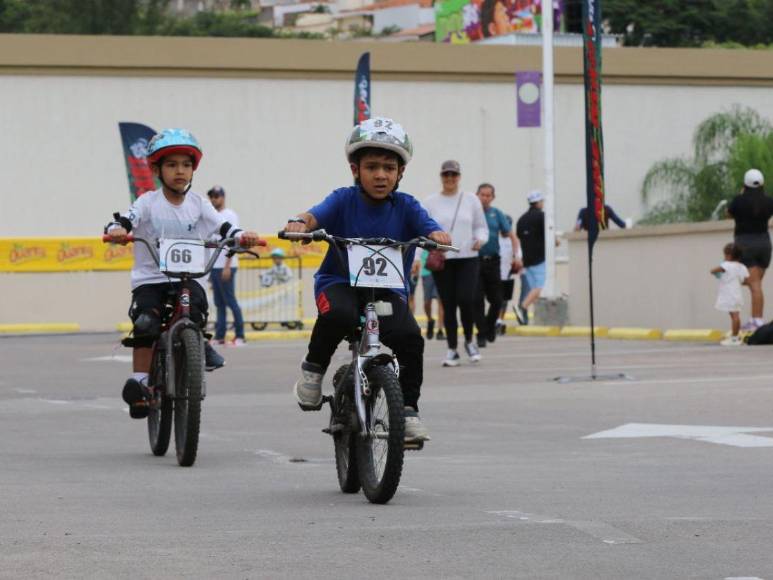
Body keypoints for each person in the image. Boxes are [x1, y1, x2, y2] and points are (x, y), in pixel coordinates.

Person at [283, 117, 450, 442]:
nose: (381, 175)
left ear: (400, 173)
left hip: (386, 290)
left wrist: (437, 235)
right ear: (355, 170)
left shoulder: (407, 206)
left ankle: (408, 410)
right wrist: (299, 223)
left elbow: (429, 227)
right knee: (339, 315)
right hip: (339, 284)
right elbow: (313, 215)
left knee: (410, 338)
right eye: (372, 167)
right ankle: (313, 369)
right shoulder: (343, 199)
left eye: (389, 168)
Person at [104, 128, 261, 419]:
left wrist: (242, 236)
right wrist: (117, 230)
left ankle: (197, 342)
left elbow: (224, 227)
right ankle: (141, 383)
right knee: (146, 322)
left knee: (197, 309)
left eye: (186, 165)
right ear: (156, 170)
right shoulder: (147, 202)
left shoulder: (199, 203)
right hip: (151, 280)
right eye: (172, 165)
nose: (180, 171)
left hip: (188, 278)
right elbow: (126, 220)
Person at [424, 160, 489, 367]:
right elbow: (423, 230)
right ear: (441, 176)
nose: (450, 178)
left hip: (468, 257)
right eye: (446, 175)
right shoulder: (430, 202)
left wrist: (481, 239)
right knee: (448, 304)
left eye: (454, 175)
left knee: (466, 299)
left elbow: (481, 227)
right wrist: (416, 259)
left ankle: (470, 341)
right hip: (443, 261)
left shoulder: (471, 199)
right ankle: (452, 349)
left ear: (459, 177)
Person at [474, 183, 521, 347]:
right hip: (474, 262)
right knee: (477, 299)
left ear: (493, 197)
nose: (485, 198)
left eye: (488, 195)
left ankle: (489, 326)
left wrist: (517, 256)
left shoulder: (497, 214)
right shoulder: (471, 213)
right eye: (482, 195)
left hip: (493, 261)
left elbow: (511, 236)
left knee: (497, 299)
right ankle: (481, 333)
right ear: (477, 195)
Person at [727, 168, 773, 331]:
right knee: (756, 283)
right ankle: (755, 319)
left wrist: (741, 195)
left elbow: (728, 214)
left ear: (745, 184)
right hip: (764, 244)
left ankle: (757, 321)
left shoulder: (739, 200)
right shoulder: (768, 201)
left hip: (745, 243)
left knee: (753, 284)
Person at [207, 185, 247, 347]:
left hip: (225, 266)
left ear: (223, 198)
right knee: (219, 303)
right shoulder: (212, 216)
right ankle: (220, 336)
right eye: (211, 196)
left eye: (217, 196)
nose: (214, 199)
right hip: (214, 266)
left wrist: (227, 266)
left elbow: (233, 242)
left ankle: (240, 336)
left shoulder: (229, 215)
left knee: (231, 301)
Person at [516, 190, 546, 323]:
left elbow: (519, 237)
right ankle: (522, 307)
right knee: (540, 288)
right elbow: (548, 233)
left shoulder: (521, 219)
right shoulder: (542, 216)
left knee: (533, 289)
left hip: (527, 260)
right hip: (540, 259)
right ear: (539, 202)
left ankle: (537, 316)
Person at [711, 242, 750, 346]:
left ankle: (734, 338)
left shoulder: (726, 265)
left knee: (734, 316)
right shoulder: (742, 267)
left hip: (729, 295)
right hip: (737, 294)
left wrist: (722, 266)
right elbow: (746, 281)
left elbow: (713, 270)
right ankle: (736, 336)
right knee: (735, 315)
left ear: (728, 255)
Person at [496, 214, 521, 334]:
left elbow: (519, 257)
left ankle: (499, 321)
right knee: (496, 299)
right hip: (495, 274)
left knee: (504, 300)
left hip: (508, 275)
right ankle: (495, 320)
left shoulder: (514, 241)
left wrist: (516, 263)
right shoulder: (495, 239)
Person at [417, 249, 445, 340]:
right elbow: (417, 251)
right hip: (427, 271)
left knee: (441, 301)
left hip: (441, 269)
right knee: (427, 302)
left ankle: (440, 330)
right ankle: (430, 320)